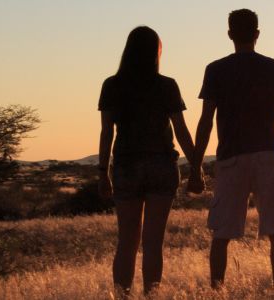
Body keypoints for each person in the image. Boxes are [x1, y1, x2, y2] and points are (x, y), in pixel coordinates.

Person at [192, 8, 274, 288]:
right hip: (267, 155)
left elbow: (206, 121)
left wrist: (195, 165)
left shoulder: (215, 70)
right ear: (257, 34)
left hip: (230, 158)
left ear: (229, 35)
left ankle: (217, 290)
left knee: (221, 232)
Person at [97, 26, 203, 294]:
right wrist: (196, 166)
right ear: (156, 51)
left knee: (127, 243)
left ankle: (122, 296)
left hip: (126, 166)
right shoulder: (166, 85)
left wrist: (102, 173)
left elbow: (107, 132)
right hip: (161, 166)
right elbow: (181, 130)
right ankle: (151, 296)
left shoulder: (112, 85)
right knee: (153, 243)